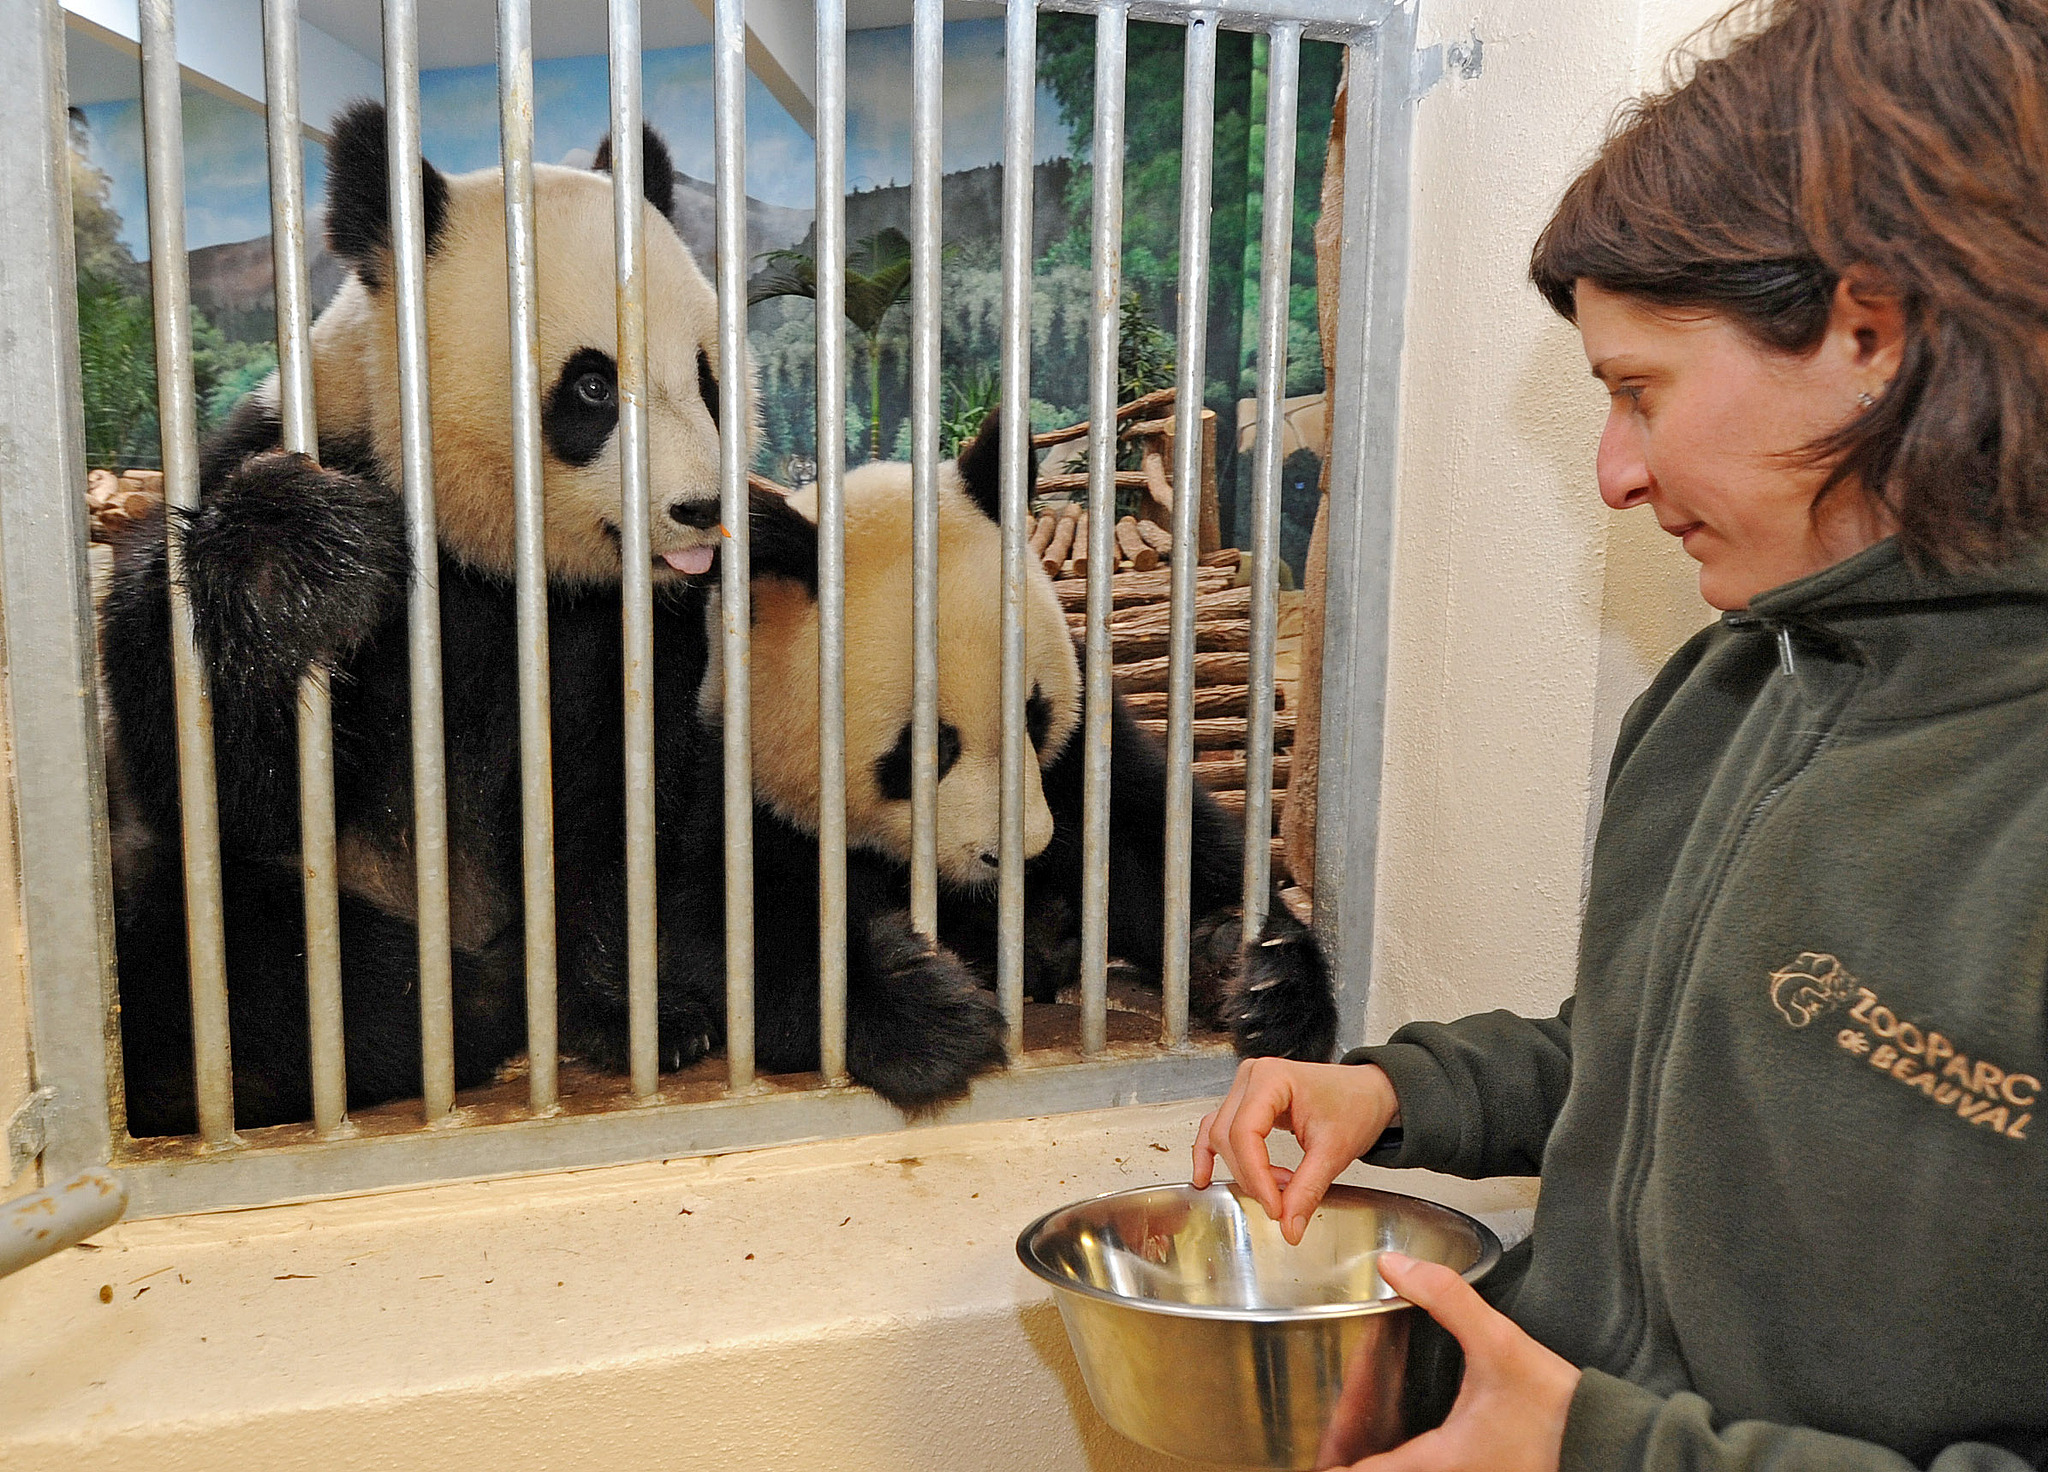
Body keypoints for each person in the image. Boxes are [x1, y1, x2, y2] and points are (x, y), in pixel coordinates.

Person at [1193, 1, 2048, 1468]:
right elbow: (1681, 1045)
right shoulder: (1731, 687)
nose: (1613, 473)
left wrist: (1596, 1451)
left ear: (1872, 335)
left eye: (1639, 392)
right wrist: (1409, 1086)